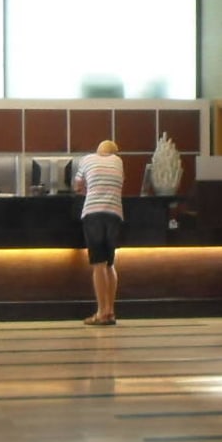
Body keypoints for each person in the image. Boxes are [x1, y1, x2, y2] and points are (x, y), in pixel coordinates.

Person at [74, 138, 126, 326]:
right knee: (110, 264)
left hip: (94, 214)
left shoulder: (87, 159)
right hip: (114, 215)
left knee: (98, 264)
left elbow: (77, 186)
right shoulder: (118, 162)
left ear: (98, 150)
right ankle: (110, 311)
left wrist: (88, 188)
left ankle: (101, 313)